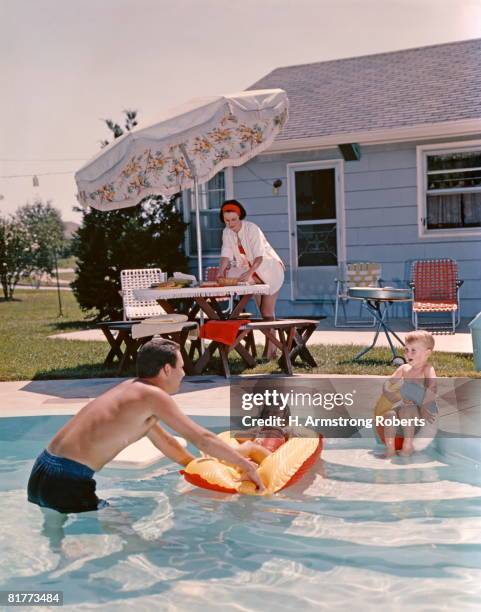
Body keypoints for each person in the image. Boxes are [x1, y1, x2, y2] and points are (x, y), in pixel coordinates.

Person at [27, 339, 265, 513]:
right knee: (119, 524)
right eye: (181, 367)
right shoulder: (153, 396)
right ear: (166, 369)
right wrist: (246, 465)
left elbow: (166, 442)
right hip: (68, 479)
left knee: (55, 527)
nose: (184, 373)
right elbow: (201, 438)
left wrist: (199, 468)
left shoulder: (131, 390)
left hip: (42, 470)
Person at [217, 200, 285, 357]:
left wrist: (249, 273)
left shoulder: (252, 229)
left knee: (267, 311)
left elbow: (259, 256)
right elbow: (225, 255)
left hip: (270, 269)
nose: (230, 223)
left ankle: (271, 350)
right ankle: (272, 350)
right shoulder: (227, 233)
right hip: (251, 272)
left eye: (233, 219)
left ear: (239, 217)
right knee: (264, 313)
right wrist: (220, 271)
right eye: (227, 220)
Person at [382, 330, 437, 457]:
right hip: (405, 406)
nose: (408, 354)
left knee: (407, 410)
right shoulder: (403, 369)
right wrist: (389, 392)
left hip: (424, 408)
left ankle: (408, 445)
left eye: (413, 350)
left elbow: (432, 387)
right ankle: (390, 448)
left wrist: (425, 407)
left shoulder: (427, 369)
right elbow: (388, 383)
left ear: (427, 353)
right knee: (389, 415)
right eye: (406, 349)